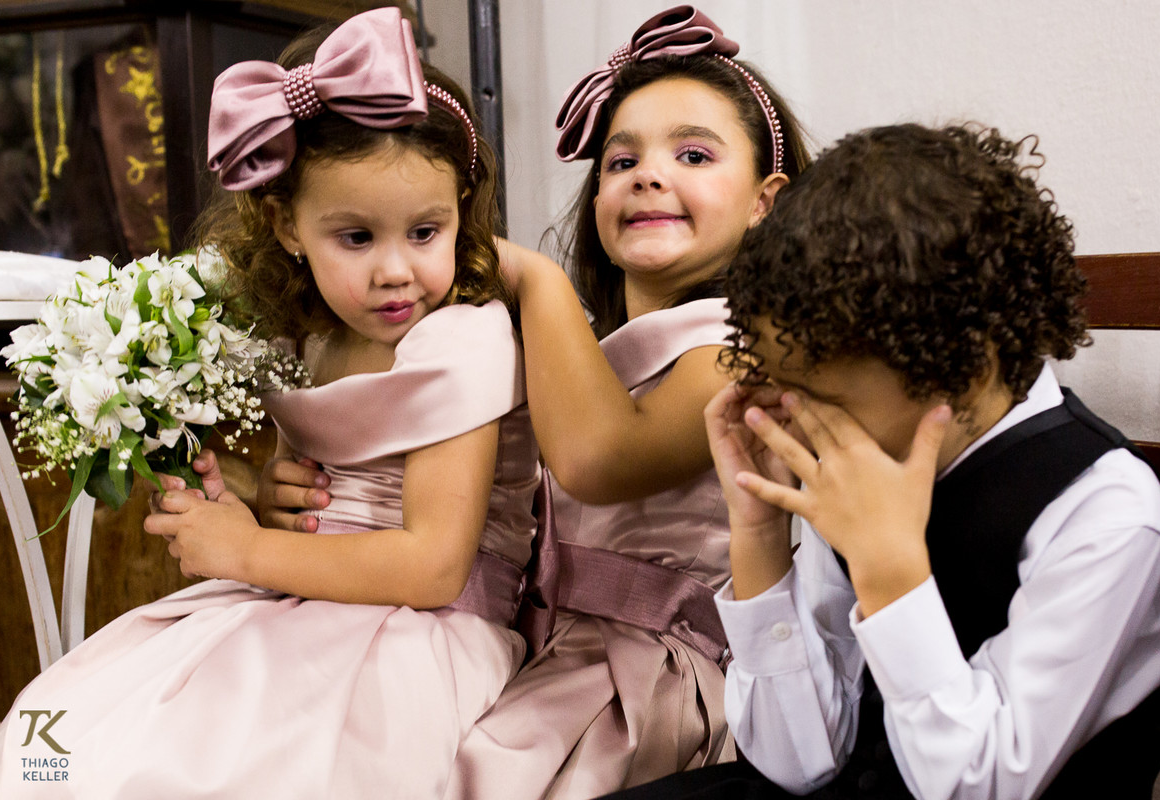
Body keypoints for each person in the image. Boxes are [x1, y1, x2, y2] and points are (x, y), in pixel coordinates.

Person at [254, 5, 812, 798]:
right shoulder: (580, 353)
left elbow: (592, 460)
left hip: (650, 677)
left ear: (765, 200)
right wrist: (321, 498)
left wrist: (535, 277)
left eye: (693, 154)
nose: (648, 174)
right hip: (548, 647)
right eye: (621, 160)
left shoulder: (745, 348)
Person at [0, 9, 539, 798]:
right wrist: (256, 508)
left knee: (237, 765)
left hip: (421, 631)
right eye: (356, 238)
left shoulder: (462, 339)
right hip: (308, 602)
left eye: (426, 232)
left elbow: (432, 567)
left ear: (461, 206)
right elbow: (307, 505)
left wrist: (246, 553)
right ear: (286, 226)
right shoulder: (308, 340)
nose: (395, 270)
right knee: (83, 733)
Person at [607, 123, 1160, 800]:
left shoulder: (1107, 520)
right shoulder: (857, 463)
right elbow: (796, 762)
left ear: (961, 363)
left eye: (822, 400)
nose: (793, 422)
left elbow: (974, 788)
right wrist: (761, 534)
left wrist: (890, 575)